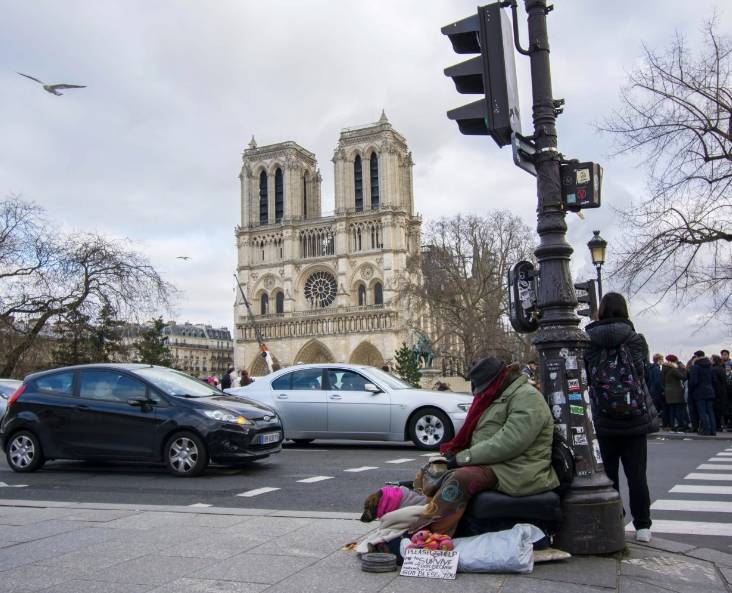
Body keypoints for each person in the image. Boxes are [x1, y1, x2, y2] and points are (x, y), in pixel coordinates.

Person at [406, 356, 558, 537]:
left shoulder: (527, 397)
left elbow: (510, 442)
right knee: (431, 470)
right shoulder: (501, 395)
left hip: (518, 469)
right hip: (499, 464)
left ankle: (430, 533)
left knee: (460, 478)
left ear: (496, 381)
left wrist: (464, 458)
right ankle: (413, 516)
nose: (481, 394)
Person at [584, 292, 653, 543]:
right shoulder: (635, 339)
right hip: (634, 417)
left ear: (600, 312)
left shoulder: (589, 340)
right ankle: (643, 526)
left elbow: (587, 378)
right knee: (637, 475)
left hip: (603, 417)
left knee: (608, 474)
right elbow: (642, 373)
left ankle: (615, 517)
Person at [688, 351, 716, 436]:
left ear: (696, 357)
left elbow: (693, 381)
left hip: (699, 392)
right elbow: (714, 380)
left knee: (702, 412)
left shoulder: (696, 367)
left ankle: (706, 430)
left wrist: (691, 390)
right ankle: (713, 430)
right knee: (710, 412)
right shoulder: (710, 366)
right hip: (710, 391)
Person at [662, 355, 688, 432]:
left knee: (672, 410)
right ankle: (681, 425)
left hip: (668, 391)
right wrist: (684, 370)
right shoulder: (673, 370)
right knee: (678, 409)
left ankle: (672, 425)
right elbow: (683, 377)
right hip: (676, 391)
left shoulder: (664, 370)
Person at [648, 354, 666, 429]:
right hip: (657, 391)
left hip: (653, 390)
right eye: (662, 359)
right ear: (659, 360)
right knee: (660, 408)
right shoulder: (656, 369)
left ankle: (653, 424)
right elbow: (657, 382)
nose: (663, 361)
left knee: (655, 408)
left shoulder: (652, 368)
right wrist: (662, 389)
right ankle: (656, 425)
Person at [711, 355, 729, 431]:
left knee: (716, 410)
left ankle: (717, 426)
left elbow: (714, 381)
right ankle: (720, 425)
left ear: (714, 360)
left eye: (711, 359)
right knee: (720, 409)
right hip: (722, 391)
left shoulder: (714, 369)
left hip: (716, 391)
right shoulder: (721, 368)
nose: (710, 360)